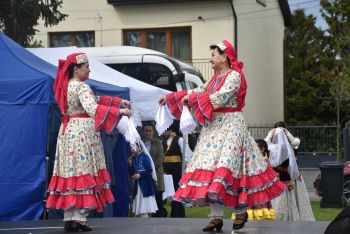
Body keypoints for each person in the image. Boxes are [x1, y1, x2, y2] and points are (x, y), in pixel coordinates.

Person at [159, 40, 286, 231]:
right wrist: (172, 97)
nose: (210, 58)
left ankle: (241, 211)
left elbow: (220, 98)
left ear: (225, 56)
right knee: (210, 168)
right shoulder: (214, 78)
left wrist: (192, 99)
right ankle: (216, 216)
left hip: (231, 125)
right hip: (214, 127)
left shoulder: (234, 76)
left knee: (230, 168)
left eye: (213, 55)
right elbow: (199, 90)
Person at [46, 53, 131, 232]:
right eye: (86, 67)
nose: (89, 70)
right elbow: (92, 108)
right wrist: (120, 112)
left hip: (68, 131)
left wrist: (117, 102)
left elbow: (93, 101)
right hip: (82, 132)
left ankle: (69, 217)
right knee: (84, 172)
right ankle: (79, 218)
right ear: (76, 69)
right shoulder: (82, 86)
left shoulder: (66, 85)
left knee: (71, 172)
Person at [265, 121, 315, 221]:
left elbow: (265, 142)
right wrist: (286, 132)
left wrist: (272, 133)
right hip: (286, 178)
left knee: (287, 201)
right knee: (292, 201)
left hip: (288, 178)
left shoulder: (274, 147)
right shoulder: (279, 147)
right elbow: (295, 142)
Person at [232, 139, 276, 221]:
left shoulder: (264, 161)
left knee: (259, 206)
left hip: (260, 189)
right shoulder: (251, 159)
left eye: (255, 148)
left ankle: (259, 222)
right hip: (250, 188)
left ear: (262, 149)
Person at [162, 121, 193, 218]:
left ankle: (178, 213)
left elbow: (187, 154)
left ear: (170, 130)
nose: (163, 132)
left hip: (176, 169)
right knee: (167, 191)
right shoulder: (163, 140)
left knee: (176, 190)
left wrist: (185, 168)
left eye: (165, 130)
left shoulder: (179, 140)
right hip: (166, 169)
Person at [142, 122, 167, 217]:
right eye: (146, 131)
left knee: (158, 200)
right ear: (143, 132)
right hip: (143, 175)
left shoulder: (158, 143)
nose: (148, 133)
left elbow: (160, 159)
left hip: (155, 174)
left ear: (153, 132)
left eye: (150, 131)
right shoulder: (140, 143)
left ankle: (159, 219)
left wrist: (149, 169)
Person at [129, 146, 158, 217]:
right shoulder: (133, 158)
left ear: (139, 148)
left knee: (144, 206)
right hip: (137, 184)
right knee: (139, 204)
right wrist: (130, 164)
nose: (132, 149)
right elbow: (132, 171)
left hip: (145, 184)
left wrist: (140, 175)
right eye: (131, 147)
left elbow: (149, 170)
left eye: (134, 147)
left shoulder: (145, 157)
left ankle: (145, 219)